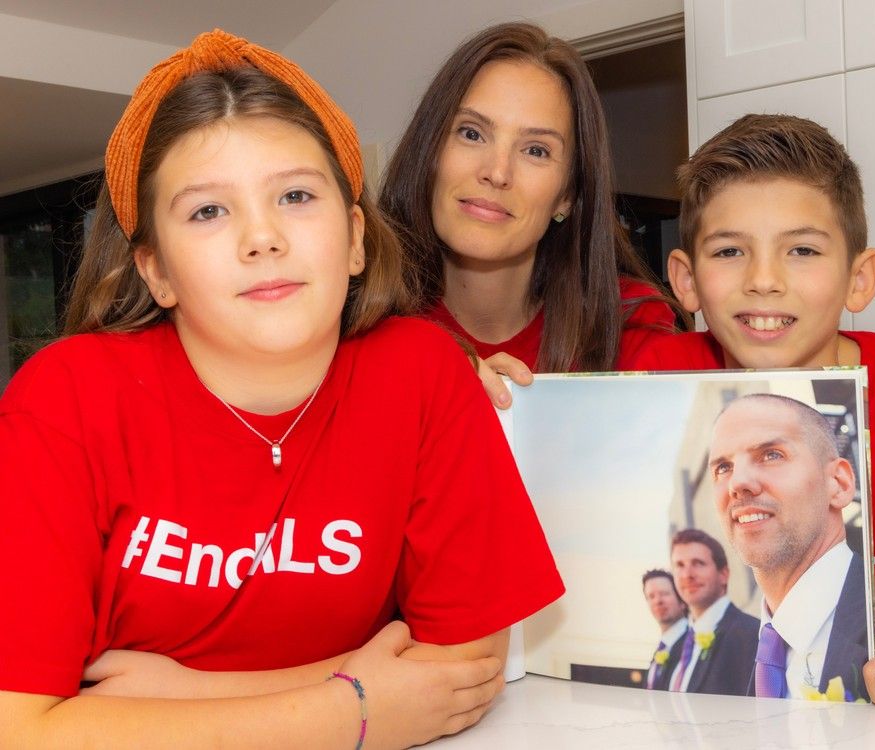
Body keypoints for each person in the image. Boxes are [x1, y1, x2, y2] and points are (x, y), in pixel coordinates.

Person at [0, 30, 564, 749]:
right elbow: (18, 728)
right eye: (208, 211)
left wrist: (184, 696)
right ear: (156, 272)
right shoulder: (65, 400)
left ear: (356, 238)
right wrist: (352, 708)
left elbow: (465, 668)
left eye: (295, 195)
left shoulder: (422, 372)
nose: (261, 238)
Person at [647, 113, 875, 718]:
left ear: (858, 279)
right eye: (730, 251)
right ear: (686, 280)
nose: (763, 280)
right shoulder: (644, 379)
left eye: (802, 250)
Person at [379, 22, 682, 407]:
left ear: (567, 196)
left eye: (536, 150)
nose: (497, 172)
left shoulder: (628, 327)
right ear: (430, 154)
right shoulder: (359, 325)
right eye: (471, 133)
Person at [709, 393, 869, 701]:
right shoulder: (739, 655)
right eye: (723, 467)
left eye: (771, 455)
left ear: (839, 483)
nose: (737, 483)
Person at [667, 528, 759, 696]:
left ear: (723, 574)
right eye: (679, 565)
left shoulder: (751, 635)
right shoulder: (677, 647)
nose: (687, 575)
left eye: (698, 563)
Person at [641, 569, 688, 690]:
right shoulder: (659, 650)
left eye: (664, 593)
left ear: (682, 600)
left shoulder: (693, 644)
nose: (658, 601)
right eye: (651, 596)